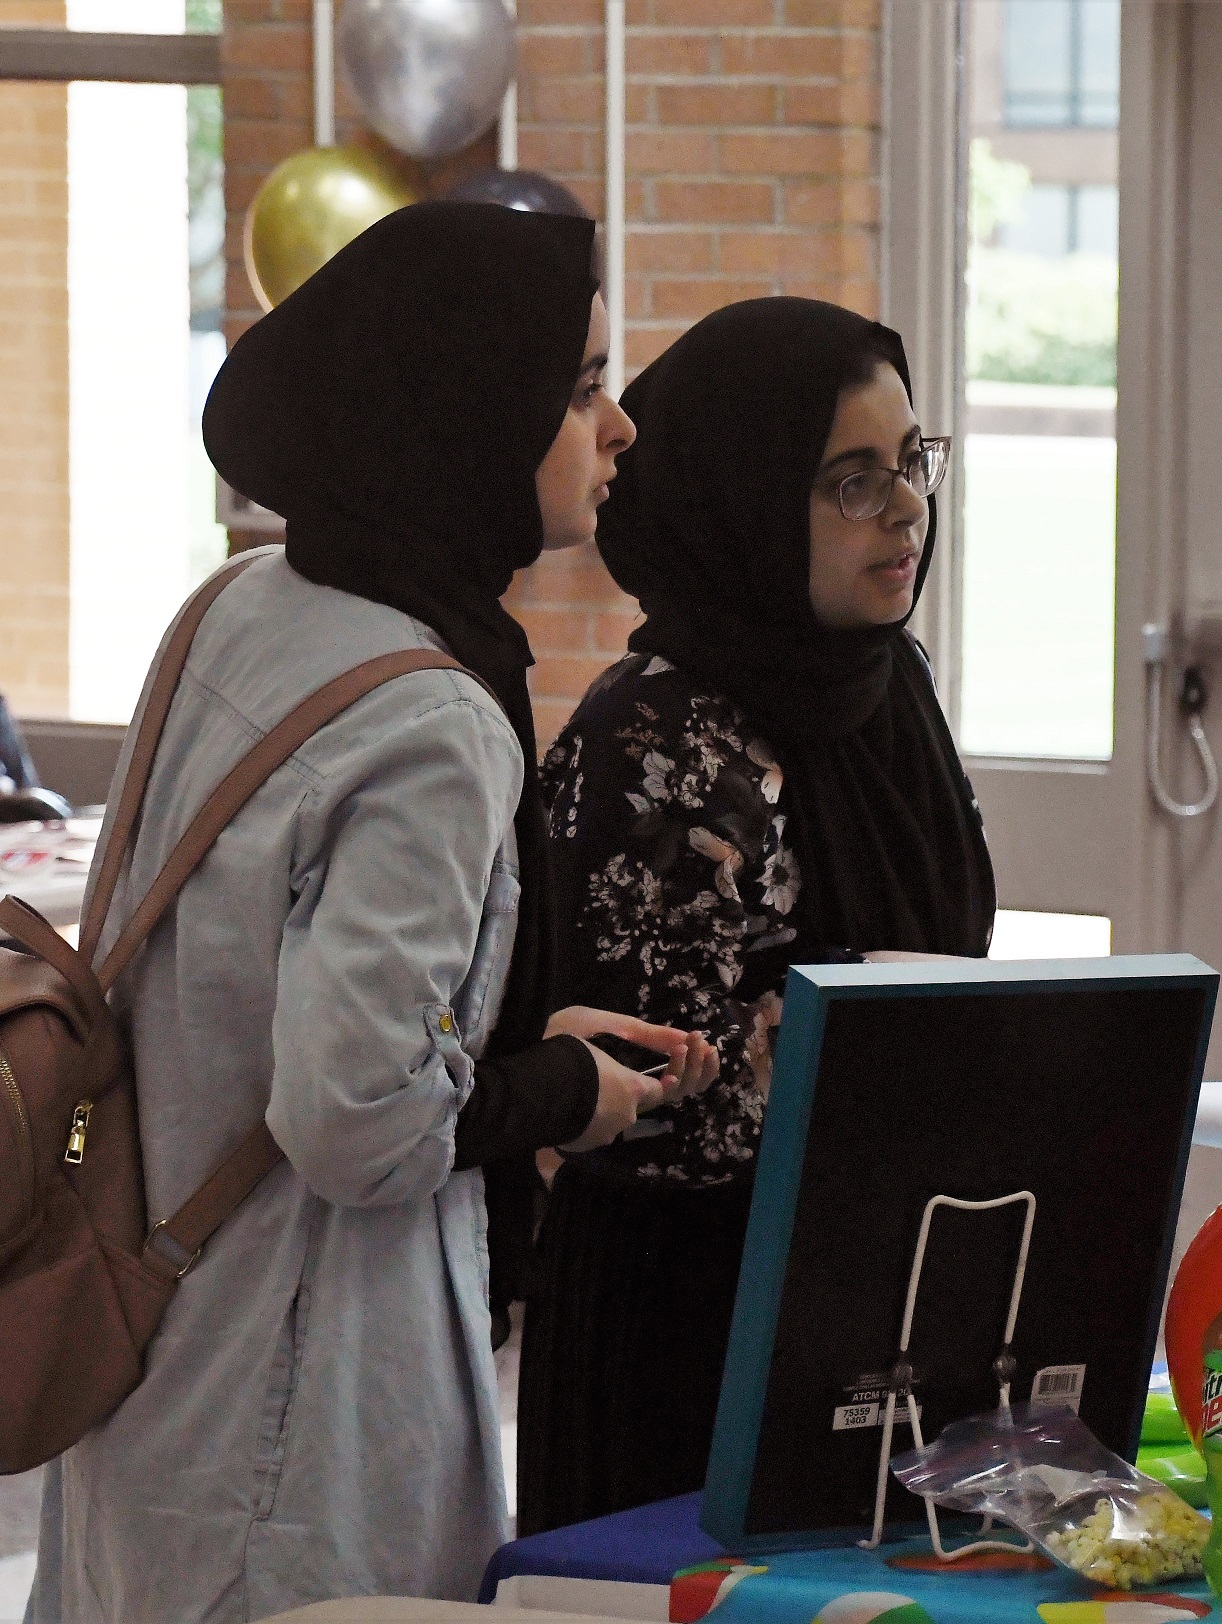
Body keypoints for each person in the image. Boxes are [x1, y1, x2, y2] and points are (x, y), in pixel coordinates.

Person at [29, 202, 717, 1623]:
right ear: (472, 413)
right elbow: (352, 1117)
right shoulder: (429, 715)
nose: (620, 426)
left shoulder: (246, 606)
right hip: (295, 1413)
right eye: (581, 388)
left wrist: (511, 1032)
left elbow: (249, 984)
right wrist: (552, 1092)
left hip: (154, 1357)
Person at [516, 297, 996, 1533]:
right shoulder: (656, 738)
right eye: (850, 481)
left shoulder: (891, 691)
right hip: (696, 1319)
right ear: (744, 500)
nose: (904, 510)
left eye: (910, 464)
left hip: (879, 1277)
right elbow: (654, 1106)